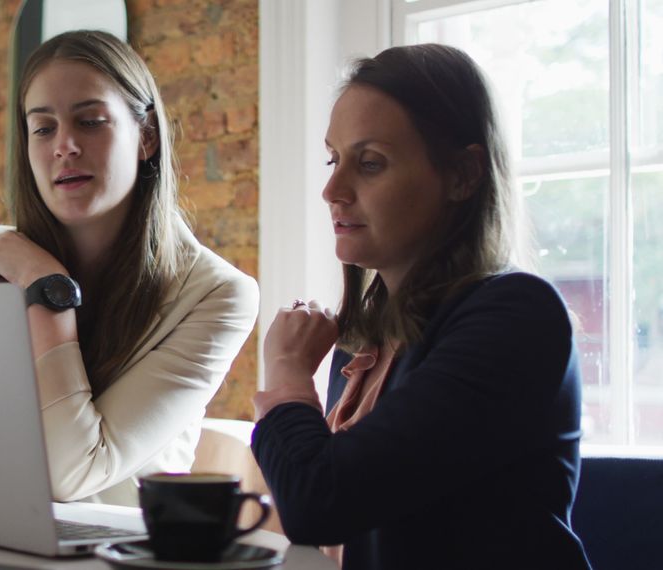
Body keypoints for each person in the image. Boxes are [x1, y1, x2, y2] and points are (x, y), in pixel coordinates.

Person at [251, 44, 591, 569]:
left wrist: (289, 373)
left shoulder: (517, 318)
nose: (332, 189)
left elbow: (319, 503)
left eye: (369, 163)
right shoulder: (366, 339)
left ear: (463, 175)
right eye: (333, 159)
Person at [0, 30, 259, 506]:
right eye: (43, 128)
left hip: (122, 550)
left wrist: (47, 289)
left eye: (91, 121)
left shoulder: (218, 295)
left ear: (147, 137)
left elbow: (73, 473)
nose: (65, 146)